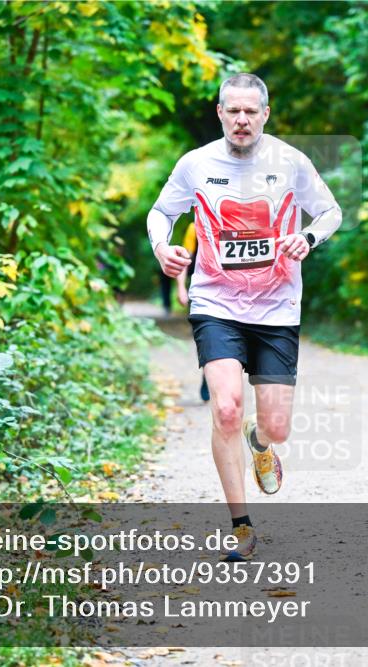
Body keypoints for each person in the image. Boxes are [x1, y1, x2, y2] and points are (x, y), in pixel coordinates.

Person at [147, 73, 342, 561]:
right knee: (226, 407)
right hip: (216, 303)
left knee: (276, 427)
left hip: (277, 306)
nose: (241, 119)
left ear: (265, 115)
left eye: (250, 111)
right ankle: (241, 525)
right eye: (232, 110)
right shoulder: (195, 165)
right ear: (219, 113)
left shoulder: (291, 161)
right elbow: (160, 213)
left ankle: (262, 444)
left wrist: (309, 238)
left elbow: (330, 212)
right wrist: (161, 248)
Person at [175, 221, 210, 402]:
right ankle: (208, 374)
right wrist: (181, 288)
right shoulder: (195, 227)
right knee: (207, 338)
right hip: (204, 293)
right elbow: (184, 259)